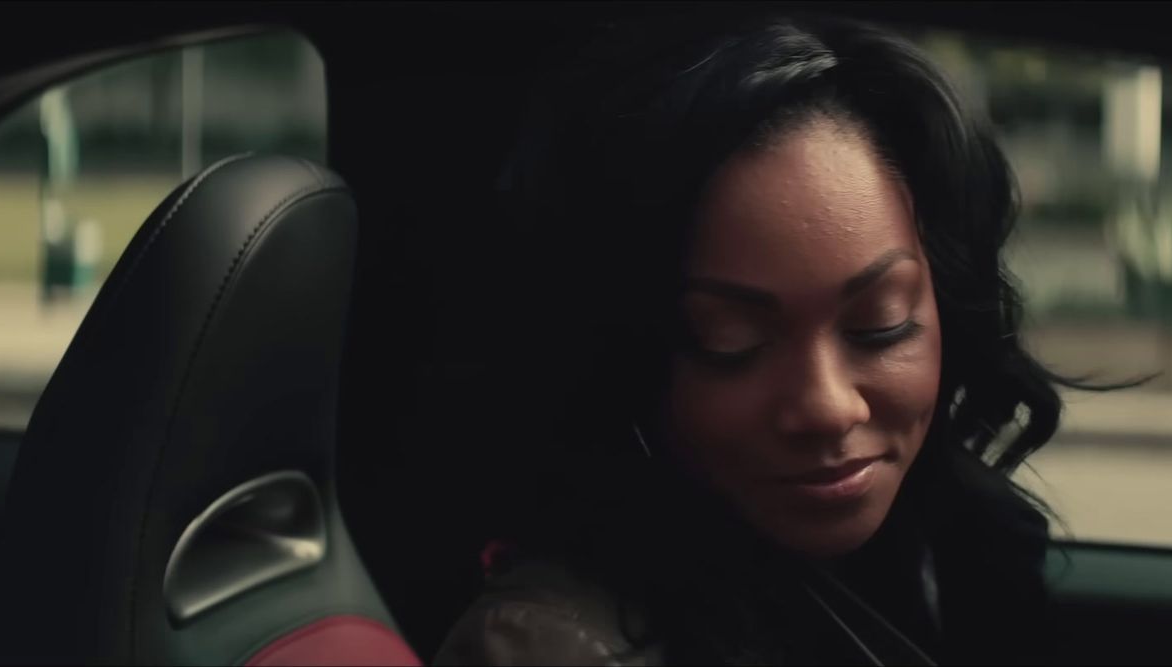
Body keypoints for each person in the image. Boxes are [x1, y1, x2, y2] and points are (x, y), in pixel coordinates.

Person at [436, 13, 1129, 666]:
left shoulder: (958, 547)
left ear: (946, 305)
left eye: (879, 324)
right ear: (624, 357)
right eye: (729, 340)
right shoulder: (554, 646)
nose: (828, 406)